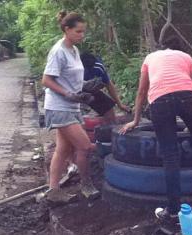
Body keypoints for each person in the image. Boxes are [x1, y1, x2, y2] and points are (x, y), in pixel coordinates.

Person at [120, 37, 192, 224]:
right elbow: (188, 81)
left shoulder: (151, 57)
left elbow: (142, 91)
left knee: (170, 154)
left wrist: (135, 120)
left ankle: (173, 211)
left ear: (161, 47)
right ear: (178, 48)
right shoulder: (185, 56)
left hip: (160, 101)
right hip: (189, 97)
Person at [41, 11, 100, 204]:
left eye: (83, 32)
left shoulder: (73, 50)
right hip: (59, 107)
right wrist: (69, 94)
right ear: (67, 29)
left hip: (71, 106)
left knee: (63, 149)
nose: (82, 35)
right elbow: (46, 80)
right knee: (84, 146)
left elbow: (69, 78)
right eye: (78, 31)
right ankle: (86, 184)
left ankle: (53, 190)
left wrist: (85, 85)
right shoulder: (58, 51)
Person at [80, 52, 130, 124]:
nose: (88, 70)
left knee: (109, 112)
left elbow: (109, 85)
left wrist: (120, 104)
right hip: (74, 93)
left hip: (92, 91)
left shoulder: (98, 67)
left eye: (90, 68)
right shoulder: (74, 69)